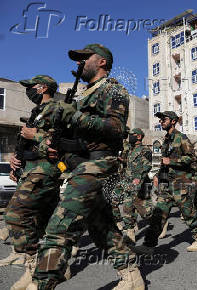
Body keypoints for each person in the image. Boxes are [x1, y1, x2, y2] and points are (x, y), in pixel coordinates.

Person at [28, 44, 145, 290]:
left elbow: (116, 128)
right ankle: (132, 276)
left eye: (84, 58)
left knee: (60, 227)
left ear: (101, 62)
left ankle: (41, 284)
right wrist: (51, 144)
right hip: (81, 163)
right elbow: (72, 136)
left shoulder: (113, 89)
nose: (79, 63)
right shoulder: (84, 95)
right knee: (101, 227)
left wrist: (73, 117)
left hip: (100, 163)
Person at [1, 76, 64, 288]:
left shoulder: (56, 108)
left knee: (15, 214)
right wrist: (16, 160)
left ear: (43, 87)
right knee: (41, 223)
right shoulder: (37, 111)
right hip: (31, 169)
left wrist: (34, 135)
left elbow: (61, 142)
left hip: (44, 170)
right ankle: (48, 269)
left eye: (31, 87)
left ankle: (34, 264)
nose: (29, 91)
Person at [143, 111, 197, 252]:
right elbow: (162, 161)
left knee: (188, 212)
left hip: (180, 183)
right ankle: (148, 244)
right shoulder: (166, 139)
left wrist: (170, 161)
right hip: (166, 184)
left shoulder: (181, 138)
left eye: (164, 119)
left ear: (173, 121)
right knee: (158, 214)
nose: (161, 122)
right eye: (160, 120)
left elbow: (191, 158)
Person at [112, 128, 153, 242]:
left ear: (139, 136)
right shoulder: (130, 150)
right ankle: (130, 233)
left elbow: (147, 166)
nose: (130, 137)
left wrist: (138, 178)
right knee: (127, 206)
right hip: (128, 182)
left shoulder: (145, 150)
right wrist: (121, 160)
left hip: (141, 183)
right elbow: (129, 164)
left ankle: (159, 222)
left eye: (132, 135)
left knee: (145, 213)